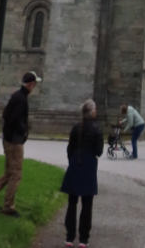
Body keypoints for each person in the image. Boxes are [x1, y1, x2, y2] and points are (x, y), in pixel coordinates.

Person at [0, 70, 41, 218]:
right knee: (16, 173)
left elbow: (5, 114)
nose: (34, 87)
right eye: (34, 84)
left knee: (8, 172)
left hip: (8, 138)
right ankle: (8, 206)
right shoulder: (21, 99)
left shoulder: (17, 95)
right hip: (14, 141)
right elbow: (14, 118)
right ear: (30, 84)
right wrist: (24, 131)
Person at [61, 99, 103, 248]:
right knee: (87, 204)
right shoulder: (97, 129)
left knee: (72, 203)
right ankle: (84, 239)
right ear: (92, 112)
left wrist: (72, 161)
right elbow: (99, 151)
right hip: (88, 166)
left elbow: (69, 149)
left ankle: (69, 237)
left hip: (75, 164)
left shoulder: (76, 128)